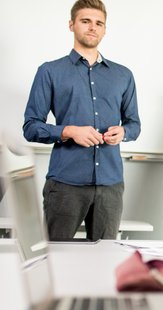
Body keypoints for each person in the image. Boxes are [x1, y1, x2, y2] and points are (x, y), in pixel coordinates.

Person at [23, 0, 141, 241]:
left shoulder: (123, 75)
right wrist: (68, 131)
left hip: (110, 184)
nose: (92, 27)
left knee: (105, 263)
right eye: (85, 21)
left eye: (99, 23)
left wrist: (124, 132)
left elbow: (134, 124)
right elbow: (31, 126)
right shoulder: (50, 71)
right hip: (66, 184)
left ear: (105, 30)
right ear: (71, 25)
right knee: (57, 259)